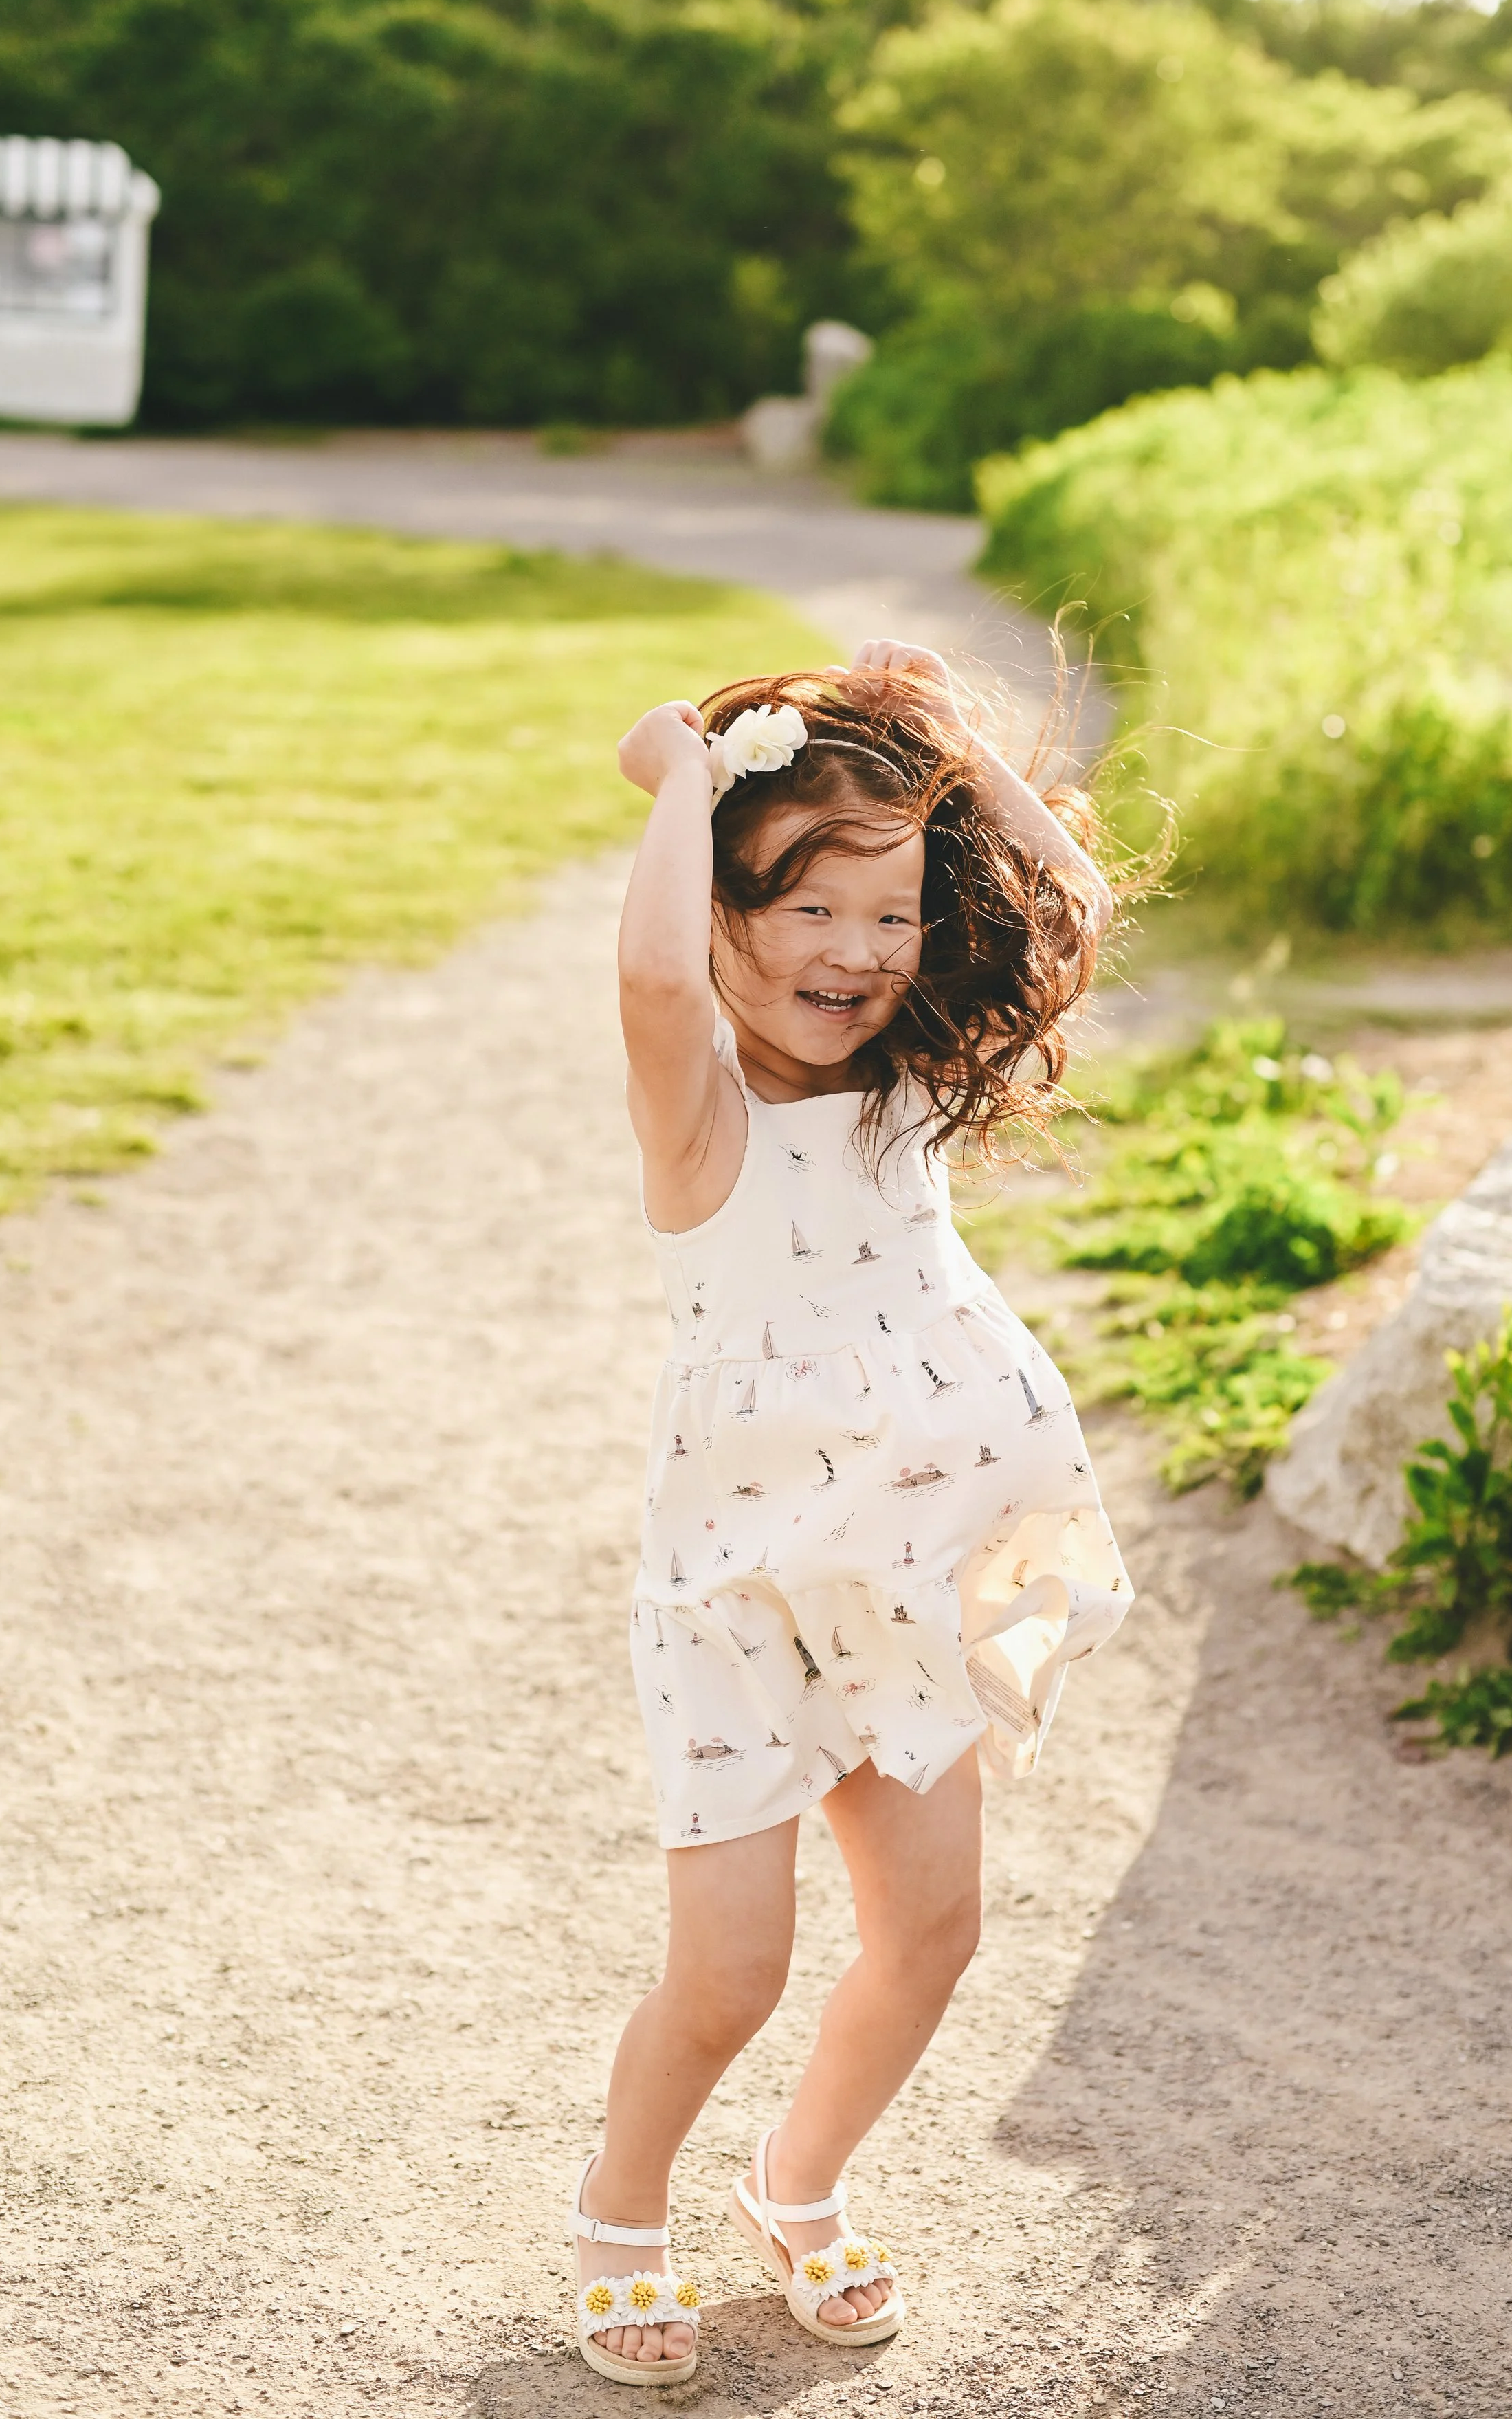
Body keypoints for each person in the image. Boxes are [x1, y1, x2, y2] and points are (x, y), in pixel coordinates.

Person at [568, 641, 1133, 2383]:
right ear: (727, 909)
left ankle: (798, 2182)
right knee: (730, 1972)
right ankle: (619, 2207)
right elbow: (657, 982)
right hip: (745, 1595)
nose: (854, 953)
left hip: (925, 1561)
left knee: (935, 1931)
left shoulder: (900, 1079)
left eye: (887, 917)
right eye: (805, 908)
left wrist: (955, 757)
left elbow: (1073, 897)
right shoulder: (706, 1114)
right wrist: (682, 779)